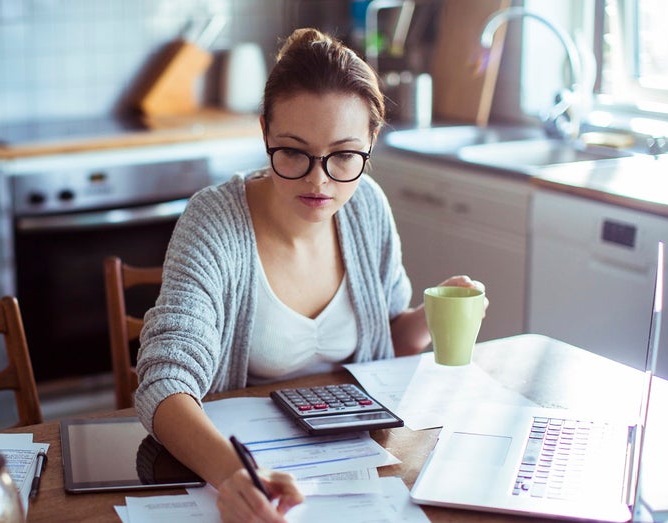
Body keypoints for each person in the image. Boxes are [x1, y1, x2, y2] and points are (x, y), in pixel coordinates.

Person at [134, 27, 486, 522]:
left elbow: (386, 338)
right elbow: (164, 382)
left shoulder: (367, 207)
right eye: (294, 152)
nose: (319, 180)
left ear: (371, 141)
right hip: (238, 469)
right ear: (264, 134)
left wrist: (434, 312)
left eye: (344, 154)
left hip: (359, 472)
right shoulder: (214, 221)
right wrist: (233, 475)